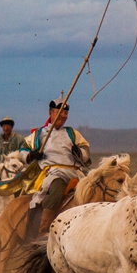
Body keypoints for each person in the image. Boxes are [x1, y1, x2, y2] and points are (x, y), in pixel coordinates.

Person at [19, 99, 91, 238]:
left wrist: (79, 152)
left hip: (75, 172)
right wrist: (31, 155)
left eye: (66, 113)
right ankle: (43, 230)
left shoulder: (72, 133)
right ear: (51, 113)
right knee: (57, 188)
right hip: (54, 172)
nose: (64, 116)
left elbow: (86, 151)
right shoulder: (39, 134)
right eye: (61, 112)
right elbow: (23, 149)